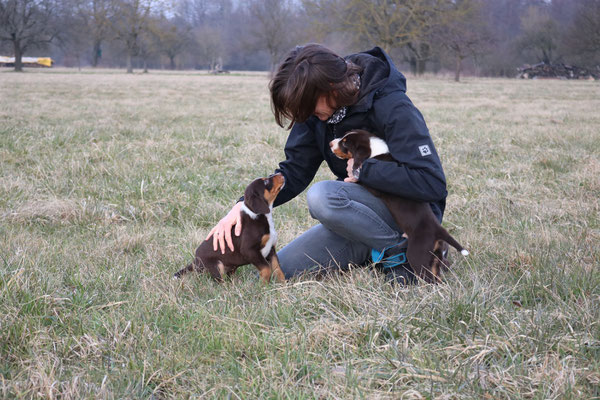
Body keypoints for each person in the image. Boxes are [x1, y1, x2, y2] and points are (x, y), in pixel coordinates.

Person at [206, 44, 448, 284]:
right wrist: (244, 206)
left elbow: (431, 183)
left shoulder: (393, 105)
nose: (306, 115)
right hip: (358, 221)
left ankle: (421, 250)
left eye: (308, 107)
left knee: (323, 197)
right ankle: (381, 251)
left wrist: (365, 170)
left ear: (331, 87)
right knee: (279, 270)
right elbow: (295, 171)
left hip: (412, 219)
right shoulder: (315, 110)